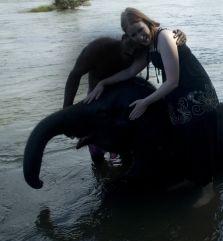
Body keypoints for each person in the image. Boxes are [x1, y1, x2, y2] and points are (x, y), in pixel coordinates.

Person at [84, 7, 219, 187]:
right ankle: (192, 177)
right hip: (178, 96)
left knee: (198, 139)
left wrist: (145, 102)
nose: (140, 36)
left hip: (196, 93)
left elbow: (172, 81)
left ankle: (208, 188)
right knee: (183, 139)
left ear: (147, 22)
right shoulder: (148, 46)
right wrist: (103, 83)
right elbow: (131, 71)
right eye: (133, 35)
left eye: (140, 30)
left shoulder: (164, 37)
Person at [63, 26, 187, 164]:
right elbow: (75, 76)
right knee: (97, 153)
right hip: (97, 104)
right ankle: (101, 175)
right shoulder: (99, 48)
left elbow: (154, 34)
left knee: (127, 151)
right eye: (129, 49)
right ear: (123, 38)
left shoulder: (142, 50)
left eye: (136, 50)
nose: (132, 51)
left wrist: (177, 34)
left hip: (123, 108)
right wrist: (66, 113)